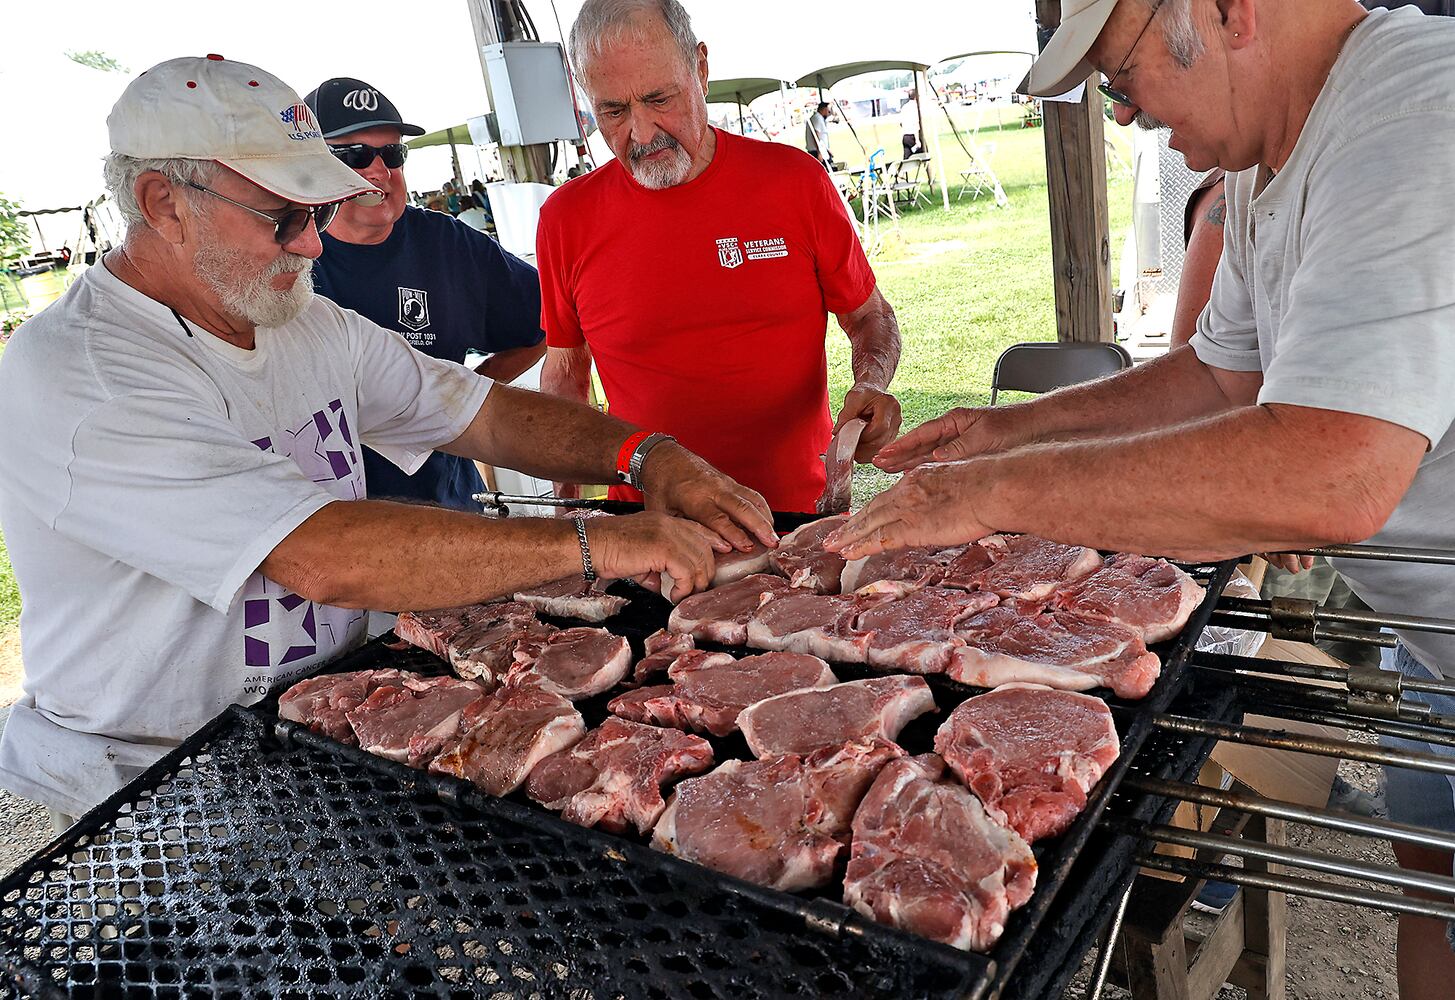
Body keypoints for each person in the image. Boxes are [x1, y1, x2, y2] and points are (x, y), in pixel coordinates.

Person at [825, 2, 1455, 994]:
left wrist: (998, 493)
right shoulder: (1265, 157)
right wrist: (1010, 430)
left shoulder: (1415, 112)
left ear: (1229, 12)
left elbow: (1333, 470)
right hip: (1432, 632)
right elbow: (1217, 375)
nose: (1121, 117)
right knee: (1441, 896)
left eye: (1121, 78)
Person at [0, 54, 776, 827]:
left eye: (318, 213)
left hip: (316, 728)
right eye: (286, 217)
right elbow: (319, 554)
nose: (312, 246)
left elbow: (481, 413)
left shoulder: (305, 322)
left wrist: (647, 454)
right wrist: (597, 542)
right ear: (163, 202)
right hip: (154, 781)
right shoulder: (85, 375)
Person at [538, 0, 905, 514]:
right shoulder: (566, 218)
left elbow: (869, 316)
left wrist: (868, 388)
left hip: (793, 517)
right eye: (614, 111)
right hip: (649, 526)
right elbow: (564, 379)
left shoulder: (793, 183)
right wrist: (567, 515)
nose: (641, 135)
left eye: (659, 99)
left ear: (701, 68)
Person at [305, 76, 543, 511]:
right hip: (331, 521)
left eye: (392, 154)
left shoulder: (449, 245)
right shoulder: (287, 257)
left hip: (450, 507)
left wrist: (459, 402)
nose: (380, 171)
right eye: (356, 156)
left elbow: (543, 323)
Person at [805, 101, 833, 170]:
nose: (828, 112)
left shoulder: (818, 118)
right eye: (827, 110)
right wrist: (819, 152)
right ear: (823, 109)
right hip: (817, 151)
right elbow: (816, 135)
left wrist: (827, 150)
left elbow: (821, 138)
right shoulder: (817, 118)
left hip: (821, 149)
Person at [899, 93, 920, 158]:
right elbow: (915, 123)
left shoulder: (904, 107)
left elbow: (901, 123)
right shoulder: (915, 107)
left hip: (905, 136)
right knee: (925, 155)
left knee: (906, 159)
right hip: (912, 136)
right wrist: (917, 140)